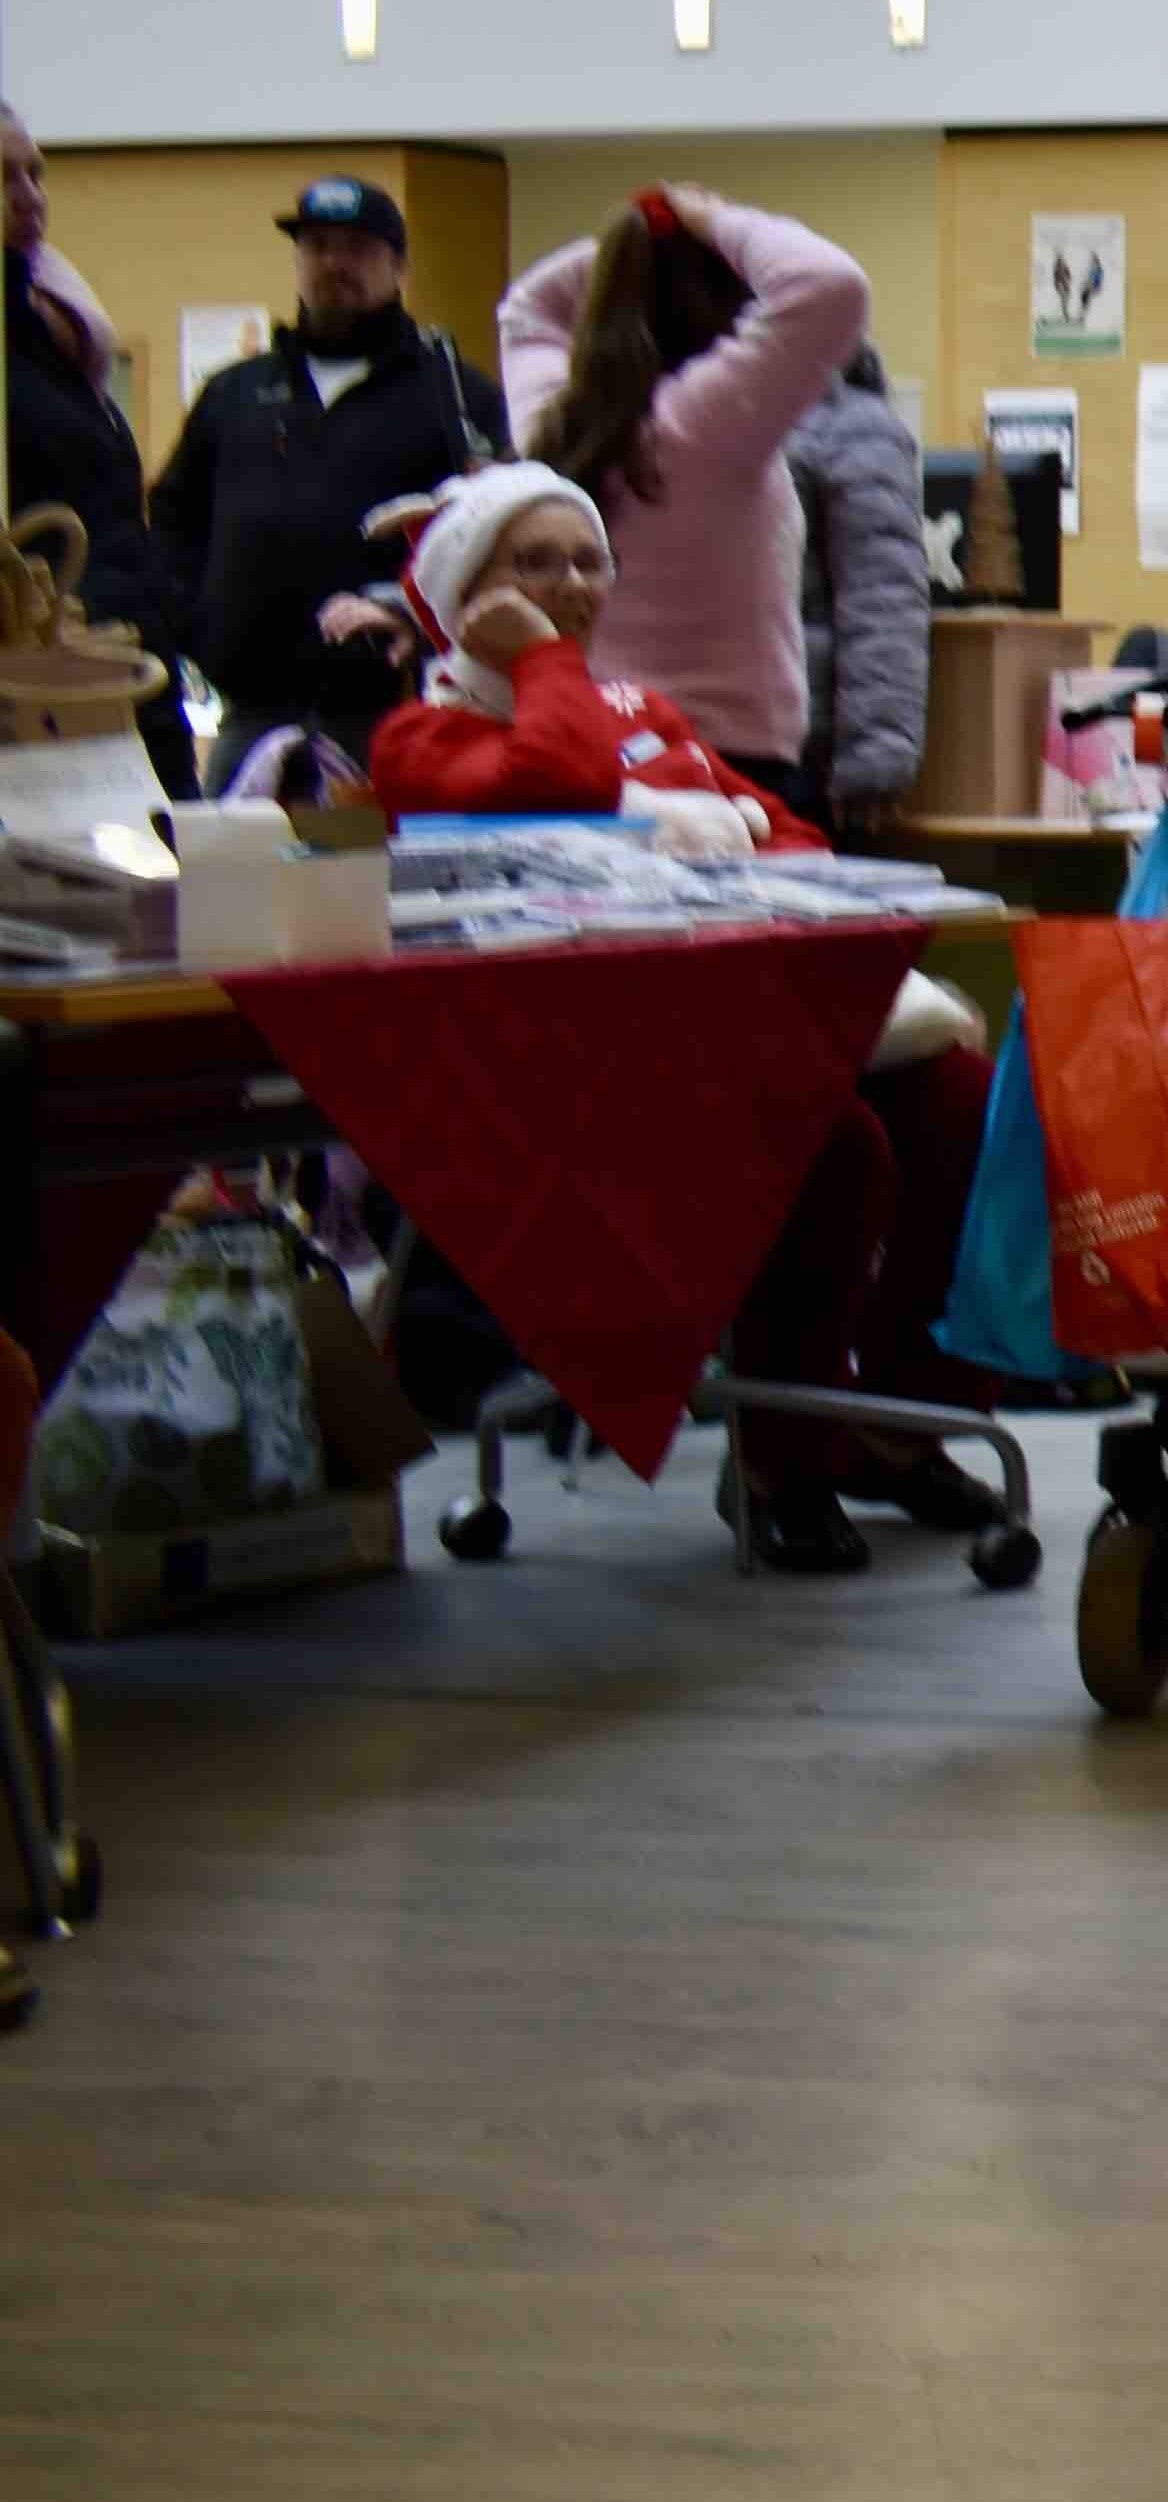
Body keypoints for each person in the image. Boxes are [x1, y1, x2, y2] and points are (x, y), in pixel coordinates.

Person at [366, 465, 1006, 1566]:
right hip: (570, 1073)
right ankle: (783, 1462)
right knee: (828, 1141)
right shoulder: (422, 736)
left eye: (586, 560)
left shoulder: (639, 711)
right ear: (469, 585)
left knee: (963, 1097)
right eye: (534, 564)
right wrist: (543, 660)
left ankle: (896, 1426)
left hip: (733, 1023)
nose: (571, 584)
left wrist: (712, 832)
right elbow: (555, 776)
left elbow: (796, 843)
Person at [501, 186, 874, 815]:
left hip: (593, 742)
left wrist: (635, 248)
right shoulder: (706, 424)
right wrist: (714, 221)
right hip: (726, 762)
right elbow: (831, 285)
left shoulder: (553, 424)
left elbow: (527, 309)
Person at [151, 176, 507, 788]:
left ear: (399, 267)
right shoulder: (234, 393)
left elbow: (492, 534)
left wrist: (411, 618)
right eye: (317, 247)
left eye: (358, 249)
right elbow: (173, 519)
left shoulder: (454, 394)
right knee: (237, 878)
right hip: (250, 714)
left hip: (393, 714)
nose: (334, 264)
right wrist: (197, 627)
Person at [0, 106, 194, 787]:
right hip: (43, 687)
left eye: (35, 174)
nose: (28, 197)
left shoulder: (53, 324)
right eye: (3, 178)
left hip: (121, 654)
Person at [787, 347, 930, 844]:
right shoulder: (709, 409)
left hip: (808, 752)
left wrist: (876, 758)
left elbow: (884, 600)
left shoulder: (854, 426)